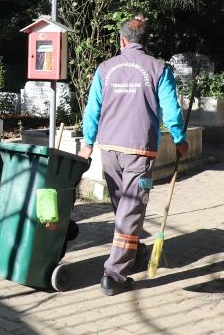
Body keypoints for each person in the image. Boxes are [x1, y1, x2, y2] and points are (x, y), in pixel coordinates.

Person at [78, 16, 188, 296]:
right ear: (144, 41)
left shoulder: (106, 68)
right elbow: (171, 109)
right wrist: (179, 138)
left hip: (110, 147)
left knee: (123, 205)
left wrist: (87, 142)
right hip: (139, 150)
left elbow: (92, 109)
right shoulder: (158, 68)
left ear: (122, 40)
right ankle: (114, 274)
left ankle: (133, 248)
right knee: (131, 206)